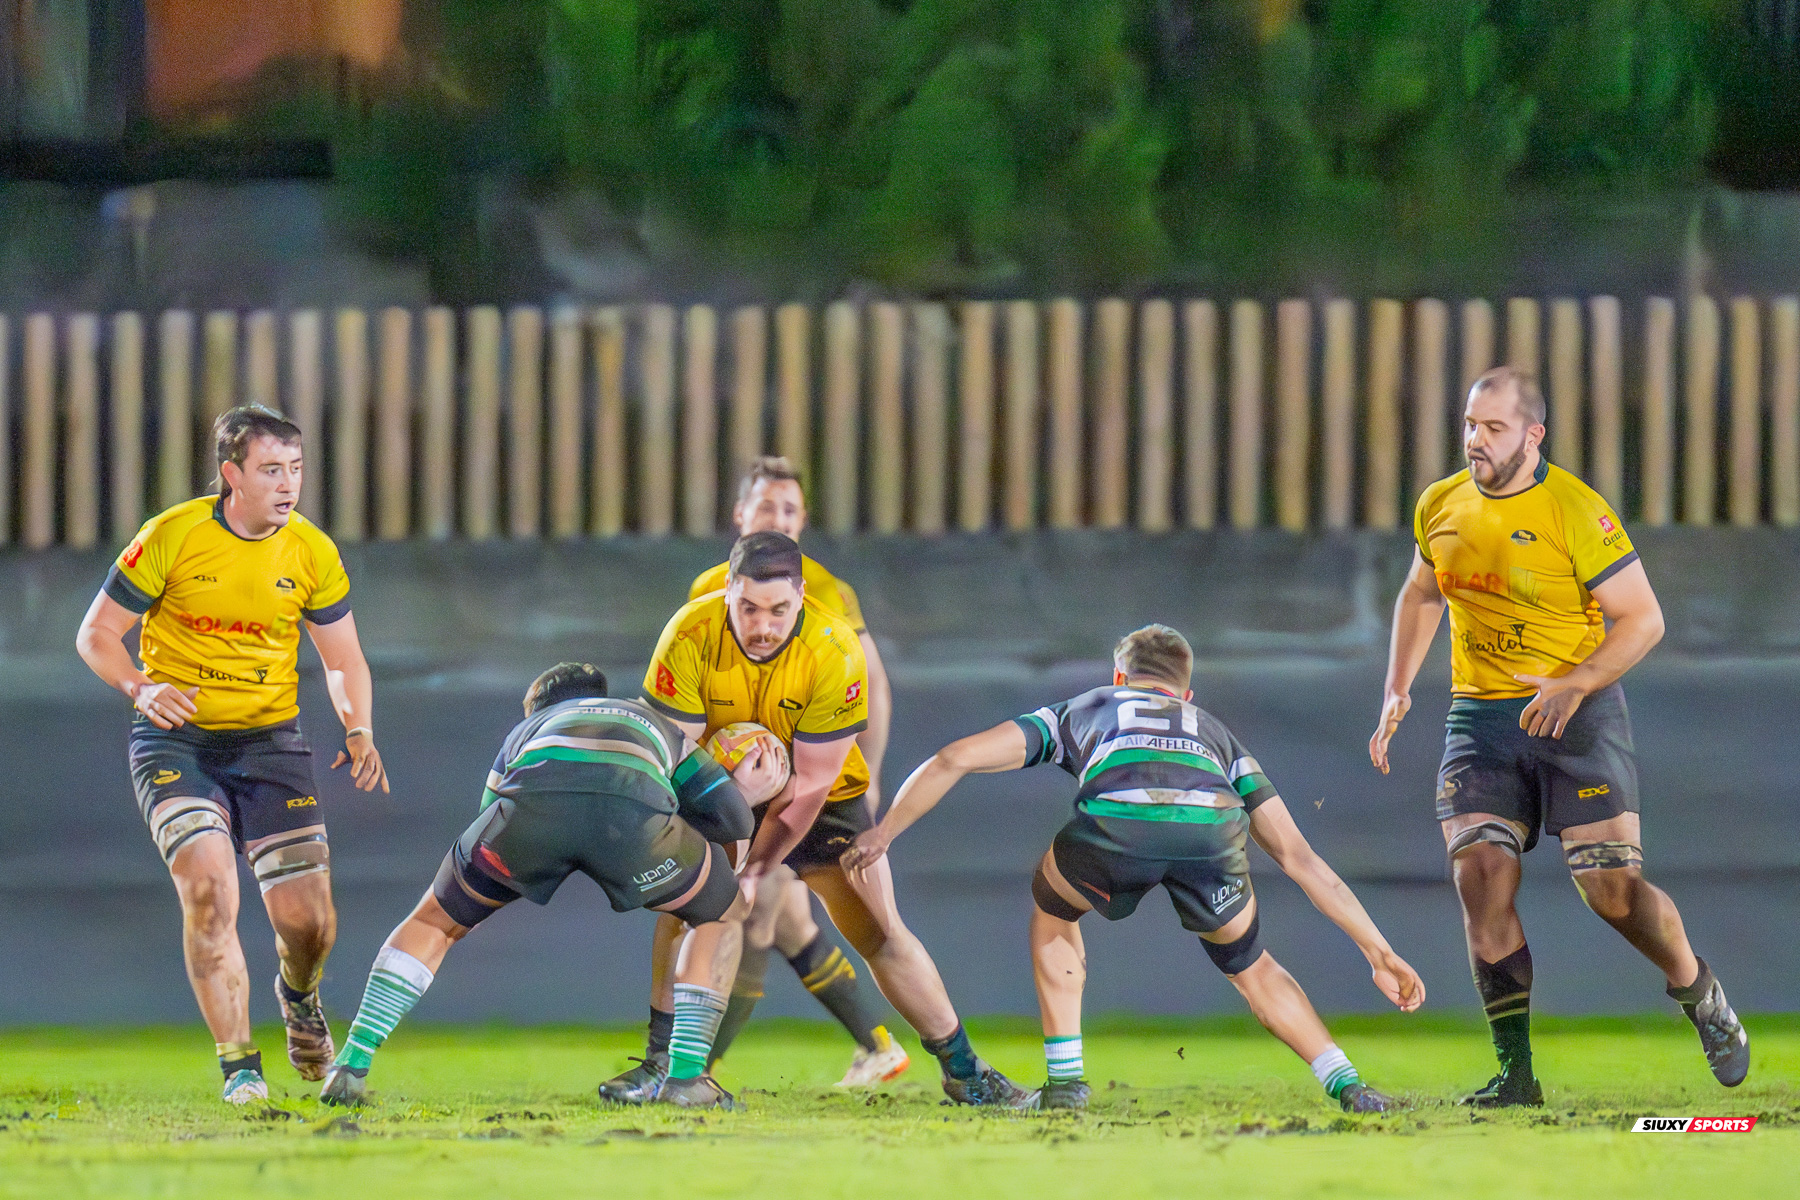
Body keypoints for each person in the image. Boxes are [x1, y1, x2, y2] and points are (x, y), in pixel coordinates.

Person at [846, 624, 1423, 1112]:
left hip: (1113, 831)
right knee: (1251, 965)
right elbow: (1300, 859)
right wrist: (1379, 951)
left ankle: (1067, 1082)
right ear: (1186, 693)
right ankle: (1347, 1083)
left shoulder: (1090, 705)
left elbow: (956, 757)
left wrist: (884, 832)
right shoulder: (1219, 736)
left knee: (1053, 908)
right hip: (1211, 837)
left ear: (1120, 678)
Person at [1369, 366, 1749, 1106]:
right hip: (1480, 718)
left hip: (1578, 712)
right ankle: (1516, 1076)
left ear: (1533, 435)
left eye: (1494, 427)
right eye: (1470, 424)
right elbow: (1421, 590)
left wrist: (1577, 682)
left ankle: (1698, 990)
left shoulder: (1575, 509)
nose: (1476, 440)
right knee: (1478, 872)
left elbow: (1644, 618)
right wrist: (1396, 687)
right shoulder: (1440, 504)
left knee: (1610, 892)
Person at [604, 531, 1032, 1107]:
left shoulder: (833, 648)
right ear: (727, 591)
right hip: (719, 788)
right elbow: (671, 752)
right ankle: (667, 1067)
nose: (763, 626)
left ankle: (966, 1072)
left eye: (779, 609)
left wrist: (756, 868)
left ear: (801, 597)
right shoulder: (689, 631)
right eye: (748, 608)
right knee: (694, 912)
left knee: (879, 933)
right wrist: (723, 812)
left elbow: (808, 787)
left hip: (823, 800)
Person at [75, 405, 388, 1104]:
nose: (288, 485)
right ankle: (240, 1067)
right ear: (231, 475)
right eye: (271, 470)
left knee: (309, 924)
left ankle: (299, 997)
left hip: (270, 744)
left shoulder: (311, 550)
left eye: (296, 470)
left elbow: (342, 660)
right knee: (210, 888)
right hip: (176, 744)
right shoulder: (172, 536)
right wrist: (138, 685)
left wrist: (358, 726)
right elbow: (96, 634)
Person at [319, 662, 771, 1110]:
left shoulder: (532, 728)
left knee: (434, 921)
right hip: (633, 821)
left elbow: (488, 818)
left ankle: (350, 1064)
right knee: (720, 914)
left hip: (528, 819)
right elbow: (733, 817)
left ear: (538, 707)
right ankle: (687, 1078)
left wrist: (470, 902)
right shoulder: (656, 723)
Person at [680, 456, 905, 1088]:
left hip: (798, 787)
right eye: (767, 505)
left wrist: (871, 775)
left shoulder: (827, 591)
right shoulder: (706, 590)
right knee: (789, 924)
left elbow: (872, 686)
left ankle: (695, 1068)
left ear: (803, 520)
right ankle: (879, 1045)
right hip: (736, 787)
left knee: (755, 914)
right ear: (740, 515)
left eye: (789, 508)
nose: (778, 516)